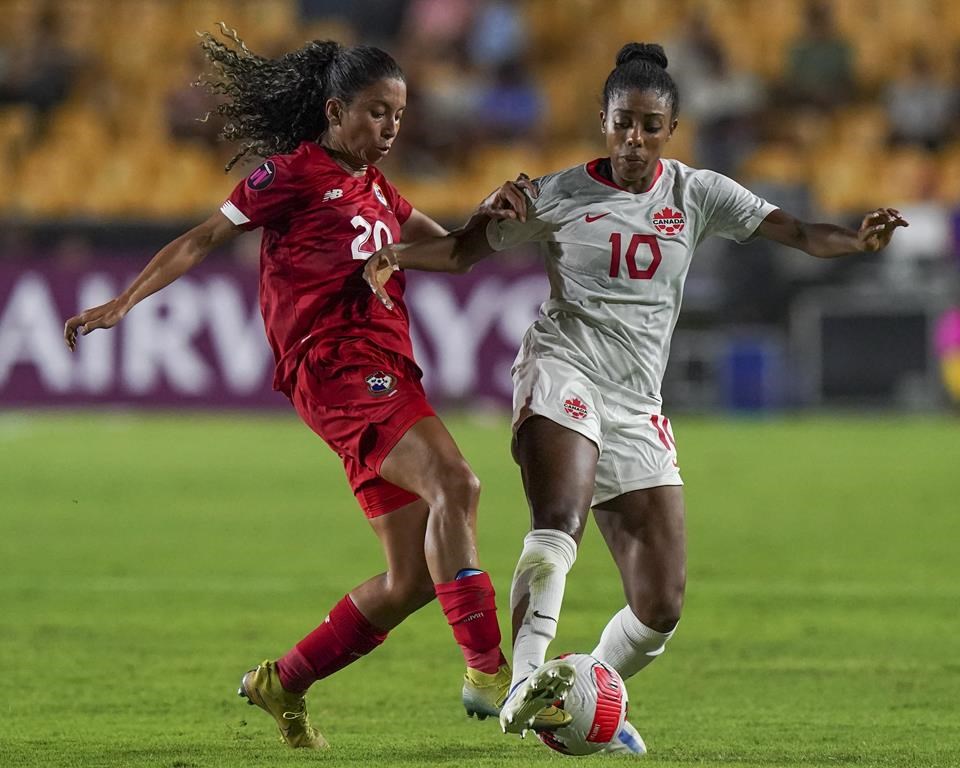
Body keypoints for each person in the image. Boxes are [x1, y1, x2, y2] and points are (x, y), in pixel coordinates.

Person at [363, 42, 908, 755]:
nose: (635, 139)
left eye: (651, 126)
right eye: (623, 122)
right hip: (564, 369)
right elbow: (466, 250)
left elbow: (798, 233)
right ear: (603, 119)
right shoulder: (555, 194)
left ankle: (585, 693)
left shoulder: (698, 193)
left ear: (670, 129)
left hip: (636, 403)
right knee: (558, 522)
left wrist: (858, 241)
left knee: (659, 608)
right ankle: (524, 682)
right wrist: (394, 253)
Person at [62, 26, 564, 750]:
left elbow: (455, 254)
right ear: (334, 112)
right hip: (337, 366)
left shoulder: (377, 188)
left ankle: (283, 681)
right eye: (374, 112)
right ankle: (492, 675)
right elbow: (205, 235)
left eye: (398, 114)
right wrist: (124, 301)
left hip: (378, 368)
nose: (389, 127)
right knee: (458, 483)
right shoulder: (293, 174)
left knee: (415, 579)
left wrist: (501, 211)